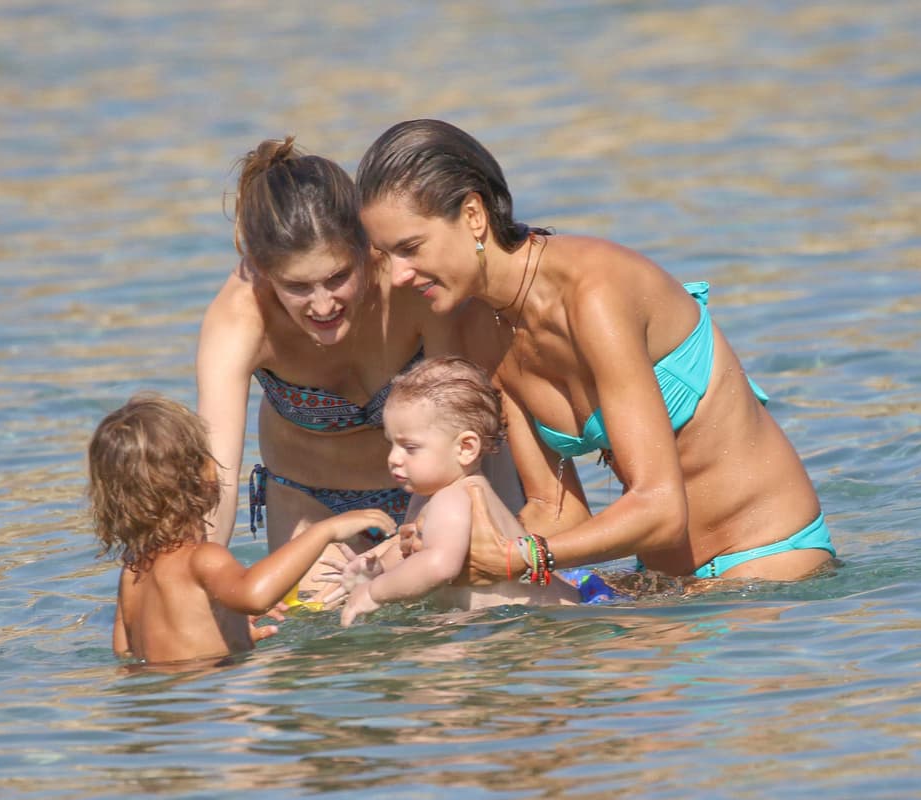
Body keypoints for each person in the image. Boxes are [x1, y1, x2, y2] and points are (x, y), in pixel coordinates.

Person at [356, 118, 836, 586]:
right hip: (663, 584)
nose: (399, 275)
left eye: (411, 248)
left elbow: (663, 510)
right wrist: (429, 548)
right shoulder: (482, 327)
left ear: (474, 216)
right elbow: (555, 509)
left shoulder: (594, 294)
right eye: (387, 256)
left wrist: (525, 557)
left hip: (772, 561)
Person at [194, 137, 462, 602]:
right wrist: (198, 594)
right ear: (261, 269)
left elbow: (461, 422)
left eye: (338, 277)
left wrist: (411, 545)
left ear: (365, 247)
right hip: (312, 505)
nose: (322, 305)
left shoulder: (407, 283)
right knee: (325, 653)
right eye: (297, 286)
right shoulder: (241, 317)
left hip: (435, 493)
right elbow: (216, 478)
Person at [87, 392, 397, 664]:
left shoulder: (133, 570)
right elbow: (254, 595)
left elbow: (126, 652)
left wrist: (225, 626)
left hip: (166, 710)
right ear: (201, 476)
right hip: (210, 703)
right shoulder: (204, 558)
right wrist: (325, 530)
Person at [338, 356, 601, 626]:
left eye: (410, 447)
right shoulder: (429, 494)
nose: (394, 458)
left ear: (465, 448)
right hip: (521, 618)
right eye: (391, 444)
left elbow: (439, 565)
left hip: (549, 621)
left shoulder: (454, 497)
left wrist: (374, 592)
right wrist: (378, 571)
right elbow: (415, 555)